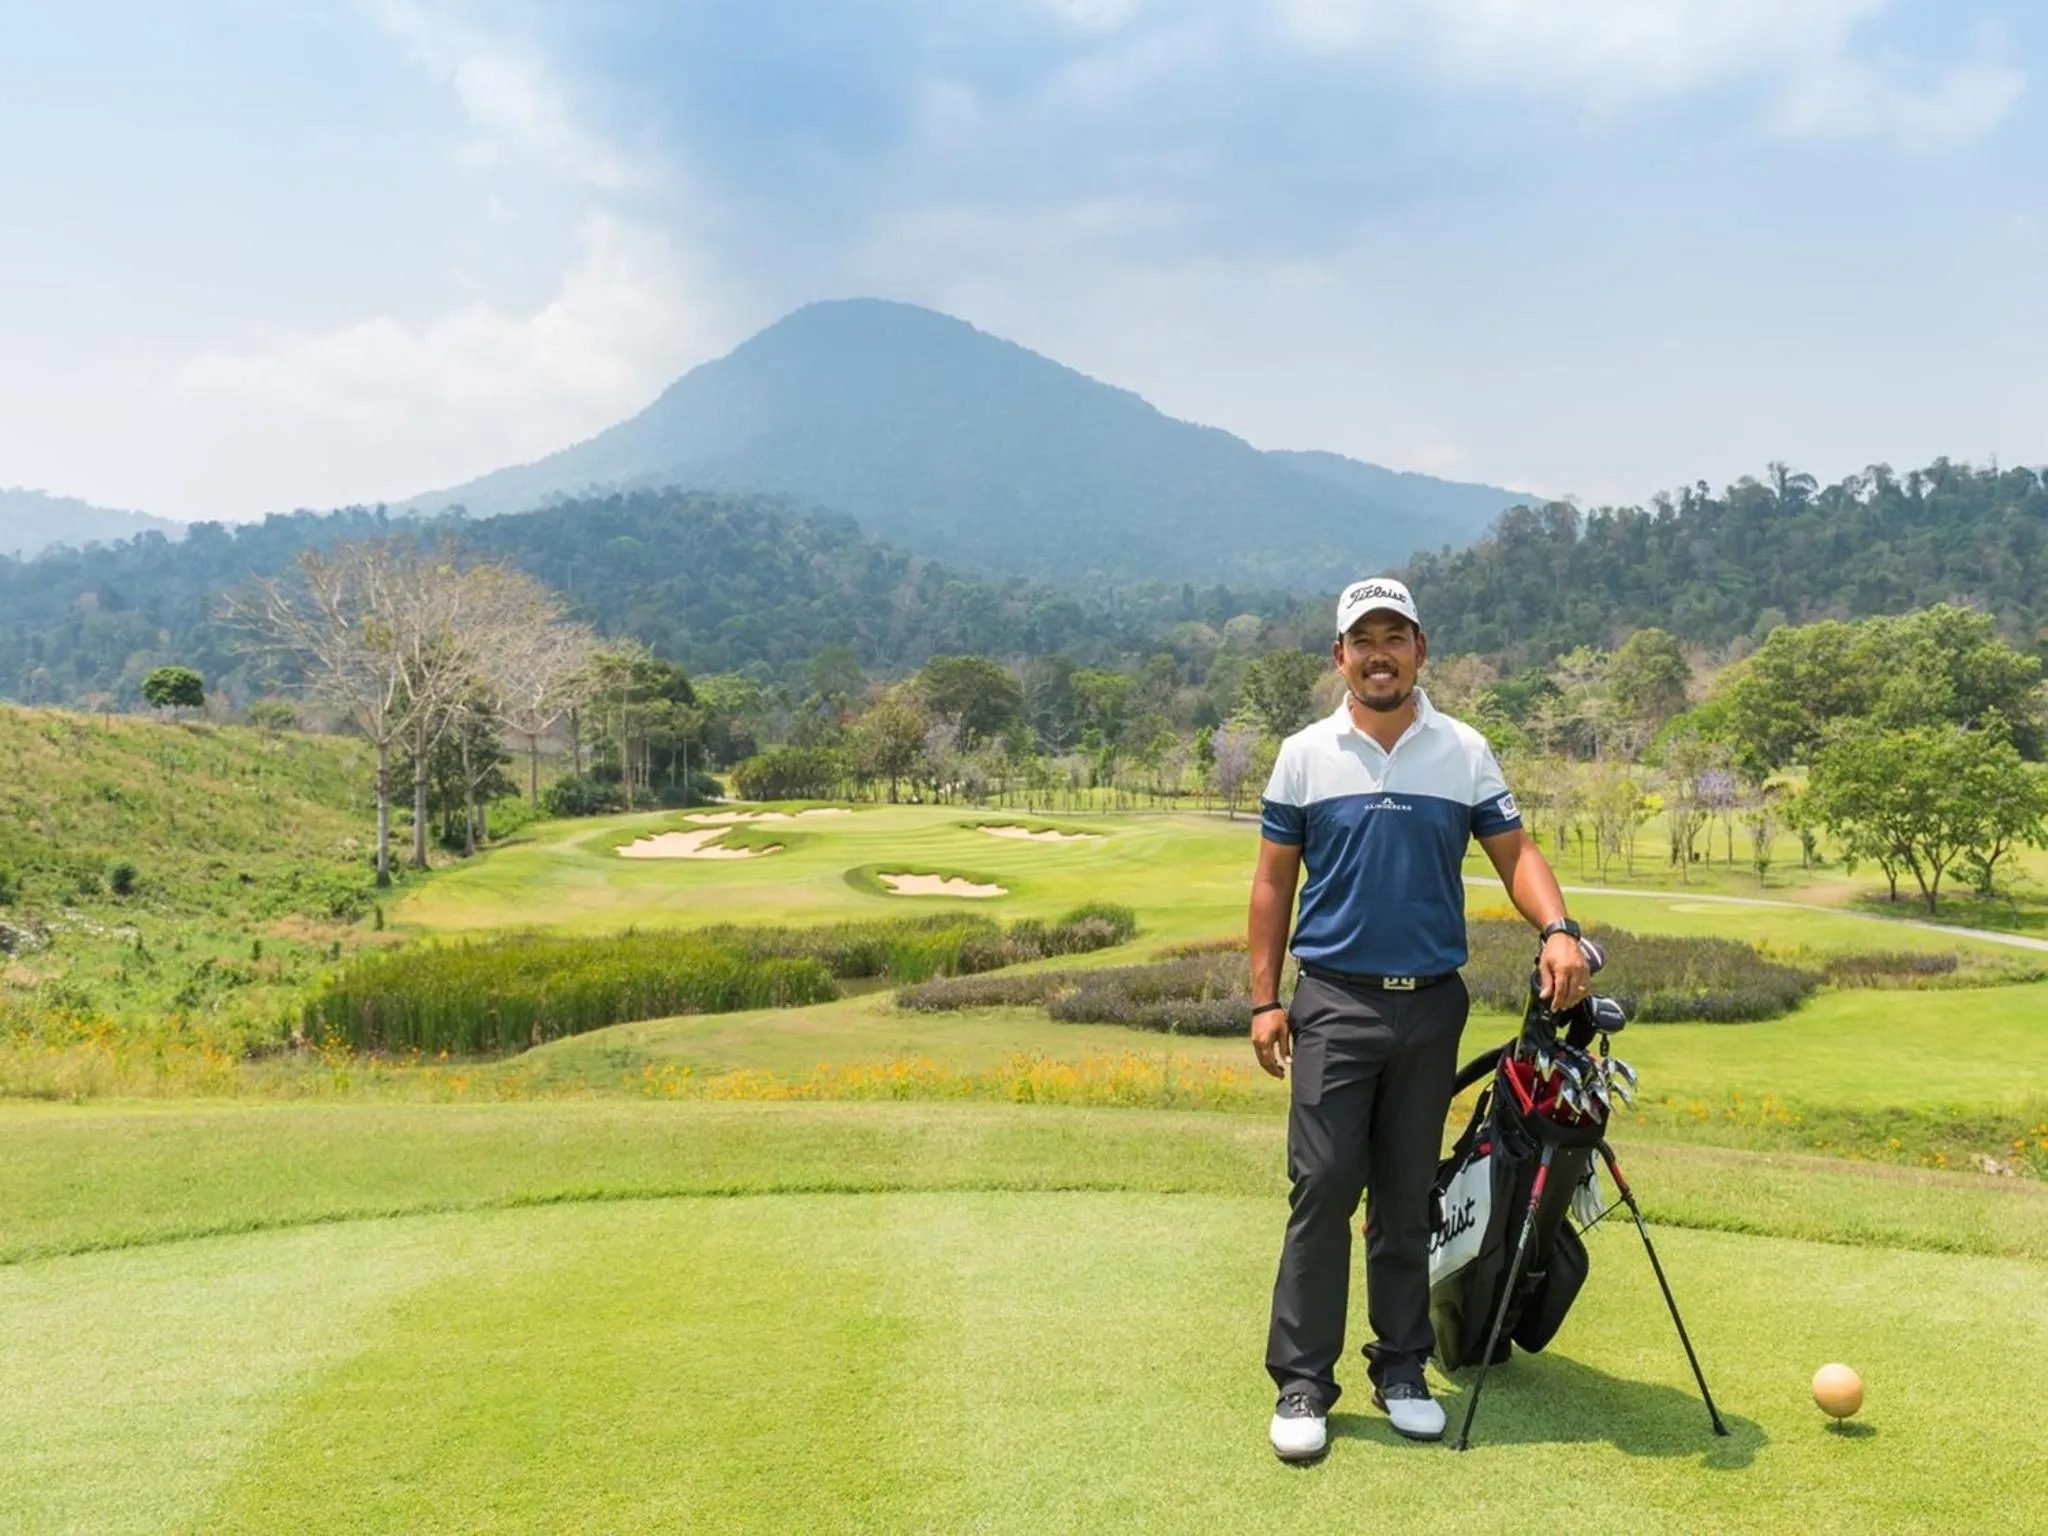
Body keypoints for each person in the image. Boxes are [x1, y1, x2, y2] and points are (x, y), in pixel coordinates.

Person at [1249, 575, 1589, 1460]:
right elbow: (1272, 883)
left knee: (1406, 1197)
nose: (1378, 653)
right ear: (1339, 657)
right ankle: (1302, 1381)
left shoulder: (1464, 750)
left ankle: (1401, 1367)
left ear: (1420, 651)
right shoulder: (1305, 754)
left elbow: (1515, 853)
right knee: (1323, 1189)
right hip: (1333, 1002)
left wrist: (1557, 929)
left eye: (1395, 636)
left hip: (1431, 1006)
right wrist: (1262, 998)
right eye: (1363, 639)